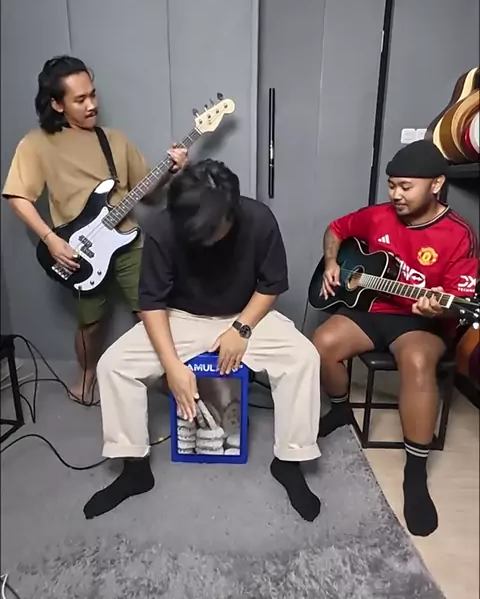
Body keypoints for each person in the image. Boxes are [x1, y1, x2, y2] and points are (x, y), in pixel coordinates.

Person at [83, 158, 322, 522]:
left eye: (212, 230)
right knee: (114, 366)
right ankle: (134, 468)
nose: (202, 239)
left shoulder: (259, 220)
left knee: (303, 358)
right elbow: (151, 302)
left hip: (244, 314)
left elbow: (271, 285)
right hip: (181, 317)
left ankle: (290, 461)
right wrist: (172, 367)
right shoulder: (163, 226)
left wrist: (241, 329)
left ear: (232, 210)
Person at [312, 140, 479, 538]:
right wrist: (332, 262)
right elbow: (336, 229)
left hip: (421, 323)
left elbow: (458, 303)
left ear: (436, 184)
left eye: (406, 187)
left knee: (417, 363)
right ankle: (340, 409)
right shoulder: (377, 216)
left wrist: (437, 308)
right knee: (321, 343)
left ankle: (415, 473)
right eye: (392, 186)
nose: (396, 195)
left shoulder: (459, 235)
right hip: (371, 309)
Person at [2, 55, 187, 401]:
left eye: (93, 94)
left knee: (151, 312)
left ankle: (168, 376)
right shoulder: (37, 143)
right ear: (57, 104)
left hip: (128, 241)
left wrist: (170, 171)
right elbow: (17, 196)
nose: (92, 105)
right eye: (80, 99)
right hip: (78, 250)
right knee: (92, 323)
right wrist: (50, 240)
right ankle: (86, 375)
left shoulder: (114, 140)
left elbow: (147, 195)